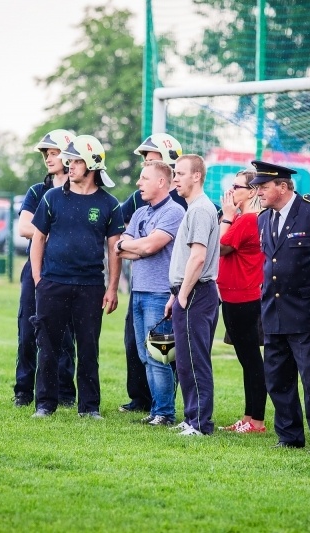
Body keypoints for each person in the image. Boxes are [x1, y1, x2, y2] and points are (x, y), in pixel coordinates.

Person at [30, 135, 124, 419]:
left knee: (88, 348)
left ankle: (90, 407)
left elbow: (114, 249)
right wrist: (38, 280)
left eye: (77, 160)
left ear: (93, 163)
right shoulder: (51, 197)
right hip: (53, 283)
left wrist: (112, 288)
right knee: (48, 347)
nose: (69, 165)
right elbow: (38, 239)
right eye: (68, 160)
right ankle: (45, 404)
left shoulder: (110, 204)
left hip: (90, 286)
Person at [251, 160, 310, 454]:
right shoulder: (264, 218)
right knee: (277, 378)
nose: (259, 192)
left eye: (263, 187)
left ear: (283, 186)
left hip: (308, 312)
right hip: (274, 311)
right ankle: (289, 436)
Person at [118, 133, 184, 414]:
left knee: (162, 353)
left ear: (163, 177)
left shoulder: (178, 207)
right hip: (139, 290)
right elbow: (124, 247)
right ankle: (147, 402)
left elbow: (149, 245)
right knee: (141, 351)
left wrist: (135, 246)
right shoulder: (140, 208)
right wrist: (133, 246)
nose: (139, 178)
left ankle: (163, 411)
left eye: (149, 164)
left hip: (162, 292)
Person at [12, 129, 78, 408]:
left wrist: (48, 232)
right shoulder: (37, 192)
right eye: (47, 154)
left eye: (54, 153)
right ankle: (23, 391)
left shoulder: (80, 192)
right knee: (28, 331)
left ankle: (64, 393)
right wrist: (50, 233)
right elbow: (24, 227)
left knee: (65, 335)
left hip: (66, 271)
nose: (49, 159)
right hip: (36, 267)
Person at [164, 154, 220, 436]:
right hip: (191, 292)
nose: (175, 179)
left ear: (196, 176)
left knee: (195, 361)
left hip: (197, 293)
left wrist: (183, 293)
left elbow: (198, 258)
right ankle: (192, 418)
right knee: (186, 360)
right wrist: (176, 295)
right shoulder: (195, 208)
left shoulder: (199, 209)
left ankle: (199, 423)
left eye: (180, 173)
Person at [217, 168, 267, 434]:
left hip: (244, 296)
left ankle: (256, 421)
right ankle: (248, 418)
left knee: (251, 360)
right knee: (247, 359)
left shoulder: (247, 219)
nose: (231, 192)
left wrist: (226, 216)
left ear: (253, 191)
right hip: (235, 294)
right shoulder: (243, 218)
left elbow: (220, 246)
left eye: (237, 187)